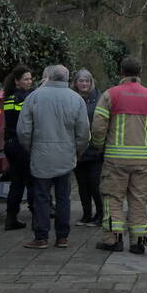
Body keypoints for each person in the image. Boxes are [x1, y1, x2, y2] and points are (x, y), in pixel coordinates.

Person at [91, 56, 147, 255]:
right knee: (138, 199)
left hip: (116, 159)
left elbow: (98, 127)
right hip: (143, 159)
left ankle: (112, 240)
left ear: (121, 72)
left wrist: (99, 146)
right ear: (139, 73)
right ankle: (138, 241)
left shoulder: (110, 95)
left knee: (113, 197)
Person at [18, 65, 90, 249]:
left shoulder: (34, 97)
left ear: (48, 76)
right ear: (67, 78)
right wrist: (78, 151)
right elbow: (83, 133)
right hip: (66, 155)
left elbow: (23, 130)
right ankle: (62, 237)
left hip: (41, 154)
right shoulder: (76, 99)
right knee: (63, 197)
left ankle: (41, 236)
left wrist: (30, 148)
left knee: (41, 196)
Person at [2, 64, 34, 231]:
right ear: (17, 81)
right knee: (31, 180)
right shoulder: (23, 98)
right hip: (21, 144)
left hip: (10, 144)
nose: (29, 81)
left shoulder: (9, 97)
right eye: (26, 79)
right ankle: (38, 215)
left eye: (30, 78)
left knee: (17, 182)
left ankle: (11, 217)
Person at [72, 69, 104, 226]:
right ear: (75, 82)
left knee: (94, 184)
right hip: (78, 150)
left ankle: (100, 214)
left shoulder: (99, 99)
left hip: (95, 150)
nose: (84, 84)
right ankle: (86, 214)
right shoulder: (72, 98)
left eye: (87, 81)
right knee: (82, 185)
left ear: (91, 82)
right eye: (81, 81)